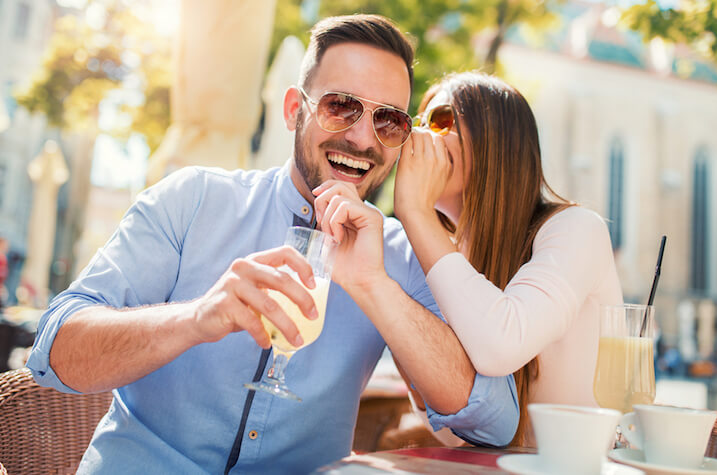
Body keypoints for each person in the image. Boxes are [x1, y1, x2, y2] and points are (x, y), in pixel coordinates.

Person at [27, 16, 519, 474]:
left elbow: (494, 421)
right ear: (292, 110)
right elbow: (54, 351)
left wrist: (373, 283)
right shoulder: (193, 198)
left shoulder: (400, 258)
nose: (362, 138)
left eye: (387, 121)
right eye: (340, 106)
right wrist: (195, 318)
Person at [394, 72, 623, 447]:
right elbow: (457, 434)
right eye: (419, 124)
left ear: (496, 141)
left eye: (440, 120)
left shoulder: (577, 230)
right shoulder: (445, 257)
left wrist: (414, 212)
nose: (420, 136)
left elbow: (500, 347)